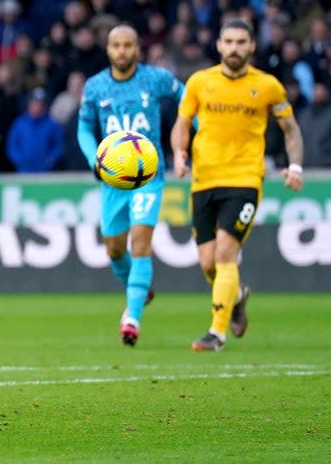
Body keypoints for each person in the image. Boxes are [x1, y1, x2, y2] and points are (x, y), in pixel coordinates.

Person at [170, 19, 305, 352]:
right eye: (228, 41)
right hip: (203, 180)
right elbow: (183, 122)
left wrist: (296, 166)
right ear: (218, 45)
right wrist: (178, 152)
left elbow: (290, 129)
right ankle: (237, 295)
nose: (234, 48)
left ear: (251, 46)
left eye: (240, 42)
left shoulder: (268, 85)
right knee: (207, 262)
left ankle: (216, 334)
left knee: (225, 253)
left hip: (244, 179)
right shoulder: (200, 82)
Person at [77, 25, 184, 346]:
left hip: (149, 176)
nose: (122, 51)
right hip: (112, 179)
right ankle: (138, 290)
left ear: (138, 49)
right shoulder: (95, 86)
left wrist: (194, 134)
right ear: (108, 49)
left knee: (140, 242)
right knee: (113, 248)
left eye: (128, 45)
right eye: (116, 46)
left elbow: (188, 99)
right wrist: (93, 158)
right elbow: (84, 127)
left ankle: (132, 317)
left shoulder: (156, 79)